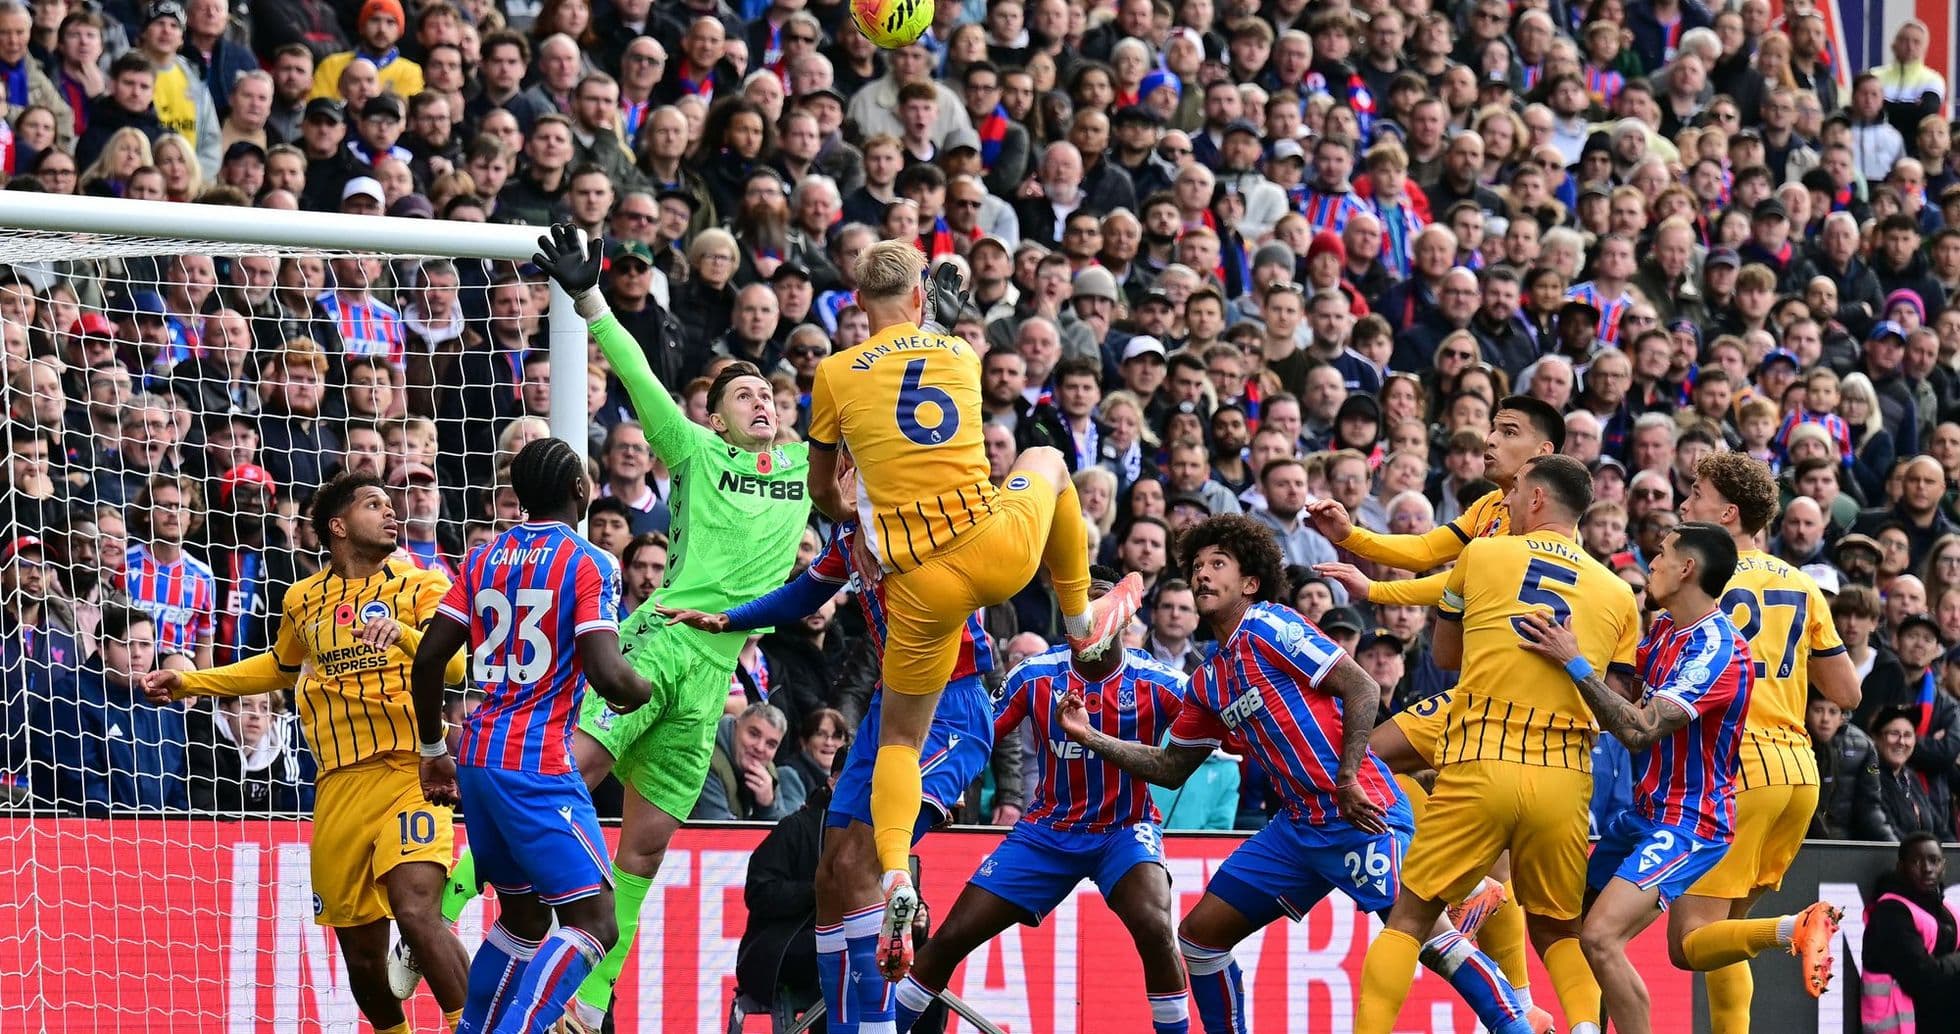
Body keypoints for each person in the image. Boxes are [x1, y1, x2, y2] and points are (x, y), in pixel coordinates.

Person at [436, 225, 815, 1034]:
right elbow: (640, 374)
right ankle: (447, 897)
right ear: (711, 416)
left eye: (770, 396)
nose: (761, 402)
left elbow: (868, 435)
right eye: (743, 394)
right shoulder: (695, 455)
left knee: (642, 852)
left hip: (716, 676)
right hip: (661, 641)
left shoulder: (803, 473)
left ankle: (590, 999)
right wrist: (588, 297)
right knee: (563, 762)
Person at [801, 239, 1137, 976]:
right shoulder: (960, 355)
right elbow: (935, 357)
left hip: (921, 585)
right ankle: (1079, 624)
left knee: (897, 745)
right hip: (993, 550)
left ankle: (896, 874)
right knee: (1047, 463)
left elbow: (825, 489)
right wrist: (942, 320)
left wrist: (848, 499)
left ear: (857, 303)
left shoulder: (830, 374)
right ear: (920, 294)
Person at [1066, 515, 1535, 1034]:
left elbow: (1361, 687)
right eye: (1197, 566)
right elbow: (1170, 768)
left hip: (1357, 810)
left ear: (1250, 582)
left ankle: (1515, 1021)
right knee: (1199, 939)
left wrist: (1350, 777)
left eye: (1217, 564)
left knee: (1428, 939)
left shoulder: (1271, 624)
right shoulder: (1209, 678)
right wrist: (1091, 737)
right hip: (1296, 829)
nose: (1202, 575)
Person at [140, 473, 471, 1034]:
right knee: (362, 954)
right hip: (339, 783)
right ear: (338, 527)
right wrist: (193, 683)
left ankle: (478, 1025)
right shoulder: (303, 599)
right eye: (375, 505)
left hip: (409, 769)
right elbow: (278, 667)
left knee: (417, 910)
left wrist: (409, 638)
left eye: (392, 506)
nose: (391, 514)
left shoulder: (423, 585)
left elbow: (457, 667)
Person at [657, 511, 998, 1034]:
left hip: (947, 707)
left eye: (841, 456)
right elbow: (803, 595)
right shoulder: (846, 534)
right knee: (832, 873)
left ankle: (877, 1025)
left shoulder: (921, 512)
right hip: (889, 708)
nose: (834, 469)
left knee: (860, 865)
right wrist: (730, 619)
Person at [1357, 455, 1641, 1034]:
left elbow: (1443, 657)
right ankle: (1585, 1028)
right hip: (1565, 774)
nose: (1504, 503)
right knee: (1559, 931)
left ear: (1535, 500)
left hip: (1482, 753)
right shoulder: (1618, 593)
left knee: (1408, 920)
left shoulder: (1482, 555)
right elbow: (1614, 697)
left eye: (1513, 496)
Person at [1520, 521, 1838, 1029]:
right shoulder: (1667, 628)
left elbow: (1640, 729)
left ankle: (1788, 931)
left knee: (1610, 938)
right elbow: (1623, 689)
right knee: (1569, 920)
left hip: (1690, 823)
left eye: (1661, 554)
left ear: (1686, 568)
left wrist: (1574, 662)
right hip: (1644, 813)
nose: (1651, 563)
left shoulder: (1717, 649)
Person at [407, 437, 654, 1034]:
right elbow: (604, 669)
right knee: (596, 921)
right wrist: (644, 689)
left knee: (520, 916)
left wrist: (434, 749)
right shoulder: (589, 561)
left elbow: (429, 659)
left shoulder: (482, 558)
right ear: (579, 489)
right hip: (537, 764)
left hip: (477, 759)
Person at [893, 570, 1192, 1034]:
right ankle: (886, 1027)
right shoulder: (1034, 674)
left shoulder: (1160, 680)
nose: (1085, 618)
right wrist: (939, 787)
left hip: (1125, 829)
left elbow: (1224, 735)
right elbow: (979, 736)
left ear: (1122, 616)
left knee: (1155, 926)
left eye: (1095, 606)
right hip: (1047, 832)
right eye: (1076, 608)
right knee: (952, 936)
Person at [1674, 451, 1863, 1022]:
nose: (1685, 504)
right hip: (1796, 775)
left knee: (1687, 944)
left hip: (1734, 771)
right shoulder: (1803, 583)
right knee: (1727, 933)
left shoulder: (1697, 574)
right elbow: (1848, 692)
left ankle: (1794, 926)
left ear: (1728, 514)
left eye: (1696, 493)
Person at [1861, 832, 1960, 1025]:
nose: (1927, 869)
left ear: (1943, 867)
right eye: (1916, 861)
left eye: (1934, 861)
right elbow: (1923, 977)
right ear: (1901, 868)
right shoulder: (1890, 913)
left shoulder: (1948, 910)